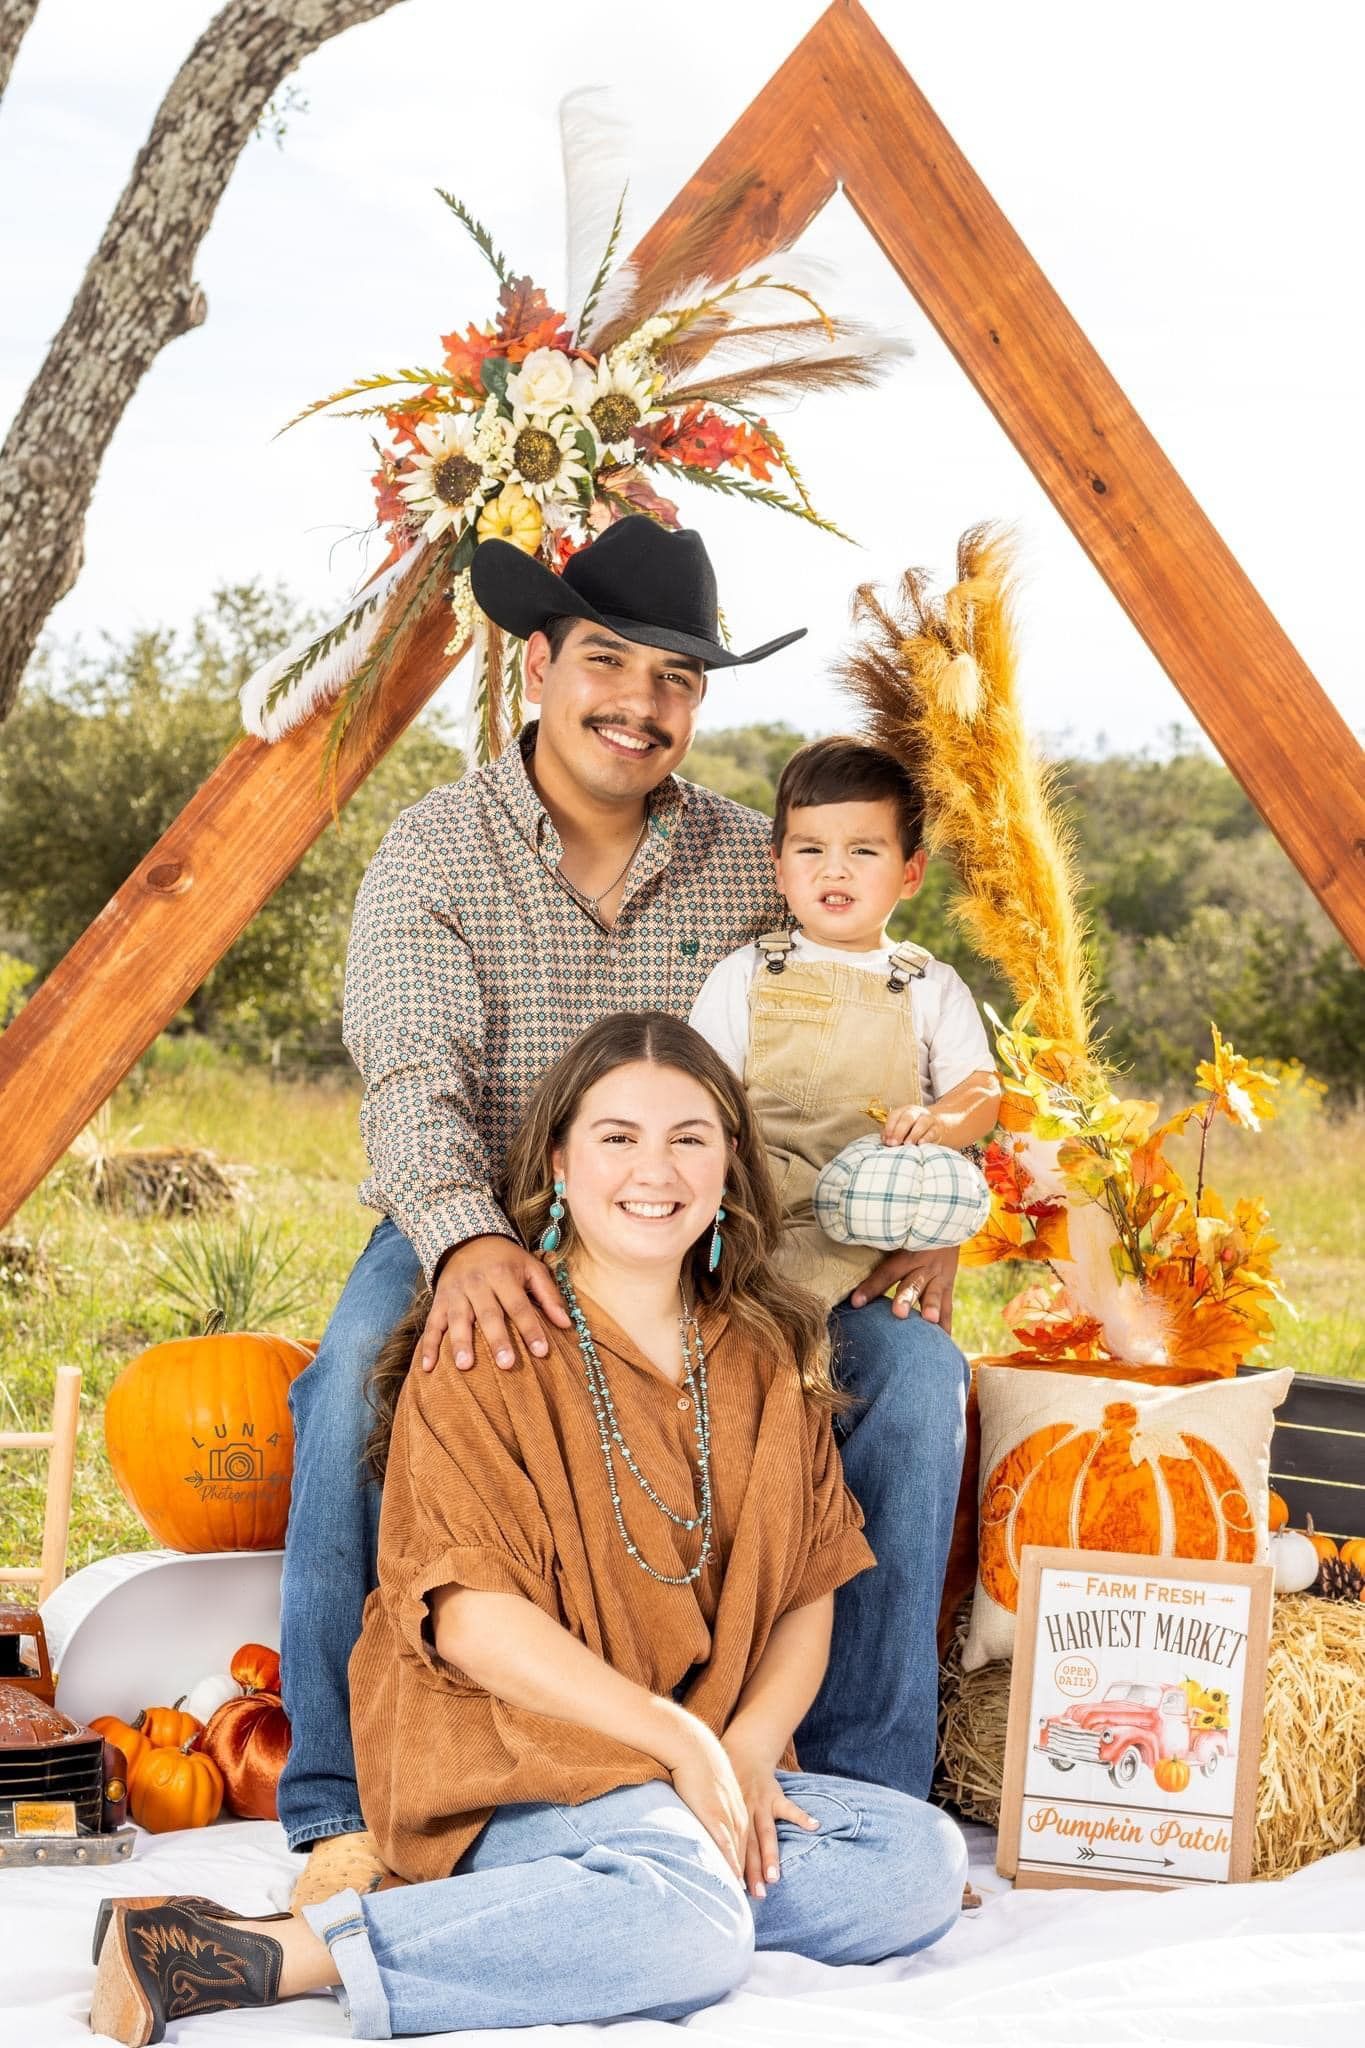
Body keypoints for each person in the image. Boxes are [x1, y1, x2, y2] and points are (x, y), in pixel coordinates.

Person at [276, 516, 973, 1908]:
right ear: (536, 663)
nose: (640, 705)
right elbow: (412, 1082)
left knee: (912, 1378)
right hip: (472, 1208)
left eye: (676, 678)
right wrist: (469, 1239)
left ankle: (842, 1782)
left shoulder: (746, 861)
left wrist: (932, 1206)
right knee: (360, 1374)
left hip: (718, 1233)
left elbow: (884, 1019)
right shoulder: (434, 854)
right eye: (609, 662)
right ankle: (346, 1800)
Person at [89, 1016, 968, 2045]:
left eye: (690, 1136)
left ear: (730, 1162)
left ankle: (605, 1897)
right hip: (505, 1749)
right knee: (694, 1927)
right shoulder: (487, 1338)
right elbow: (467, 1620)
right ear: (559, 1160)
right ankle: (268, 1949)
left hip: (675, 1761)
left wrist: (742, 1748)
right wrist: (673, 1737)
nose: (656, 1167)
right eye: (618, 1137)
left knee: (918, 1862)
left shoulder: (767, 1351)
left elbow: (808, 1589)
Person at [689, 734, 999, 1313]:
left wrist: (938, 1121)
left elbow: (982, 1090)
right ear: (778, 869)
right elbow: (699, 1100)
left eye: (863, 851)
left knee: (921, 1371)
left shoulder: (931, 984)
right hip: (755, 1244)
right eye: (810, 851)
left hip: (879, 1261)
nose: (835, 869)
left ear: (911, 873)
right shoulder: (745, 973)